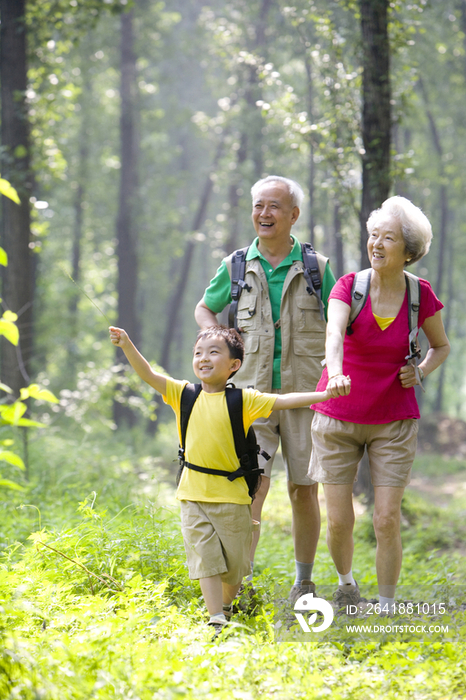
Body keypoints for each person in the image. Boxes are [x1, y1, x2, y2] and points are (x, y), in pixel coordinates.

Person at [109, 324, 335, 636]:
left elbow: (286, 400)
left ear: (233, 365)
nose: (204, 358)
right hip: (193, 493)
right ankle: (216, 617)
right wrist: (127, 345)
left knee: (235, 566)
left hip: (232, 497)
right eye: (198, 352)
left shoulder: (243, 400)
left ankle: (227, 606)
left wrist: (326, 394)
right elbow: (149, 374)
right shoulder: (183, 394)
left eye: (214, 352)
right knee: (206, 559)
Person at [195, 175, 336, 602]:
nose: (264, 213)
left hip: (303, 396)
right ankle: (240, 583)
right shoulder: (236, 265)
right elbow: (206, 308)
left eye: (274, 206)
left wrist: (337, 360)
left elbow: (343, 320)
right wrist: (216, 339)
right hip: (249, 399)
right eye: (259, 205)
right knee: (250, 487)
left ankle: (303, 581)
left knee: (303, 488)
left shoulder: (318, 268)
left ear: (294, 215)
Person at [309, 195, 450, 614]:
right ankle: (347, 585)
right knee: (338, 520)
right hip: (338, 414)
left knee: (386, 518)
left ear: (409, 251)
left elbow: (440, 347)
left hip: (393, 418)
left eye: (388, 238)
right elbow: (333, 333)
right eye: (373, 235)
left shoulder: (420, 294)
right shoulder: (348, 287)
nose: (377, 244)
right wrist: (334, 372)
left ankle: (386, 605)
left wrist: (420, 371)